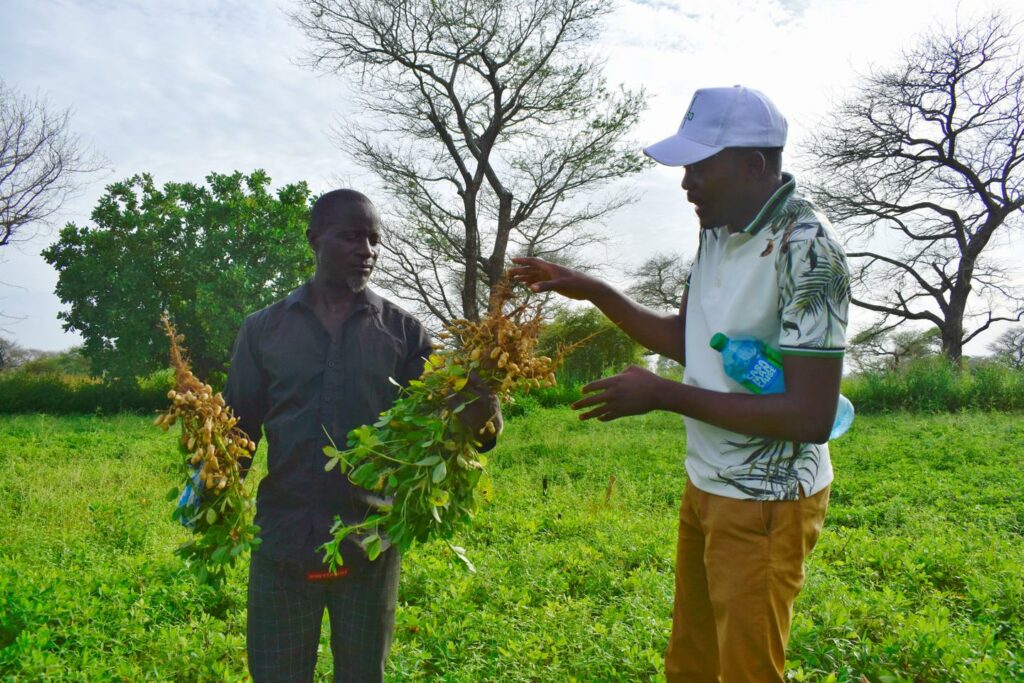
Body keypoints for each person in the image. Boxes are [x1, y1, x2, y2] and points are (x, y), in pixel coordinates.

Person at [510, 86, 850, 682]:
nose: (686, 183)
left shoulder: (809, 252)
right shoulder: (718, 230)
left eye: (699, 167)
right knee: (691, 660)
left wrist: (663, 395)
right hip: (708, 482)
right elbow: (690, 340)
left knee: (746, 670)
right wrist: (589, 289)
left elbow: (810, 416)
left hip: (766, 501)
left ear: (753, 166)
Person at [224, 189, 501, 683]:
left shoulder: (404, 333)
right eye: (351, 236)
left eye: (374, 240)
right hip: (283, 542)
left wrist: (482, 416)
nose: (367, 250)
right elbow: (238, 431)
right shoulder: (263, 330)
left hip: (370, 542)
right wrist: (211, 495)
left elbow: (453, 424)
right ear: (314, 240)